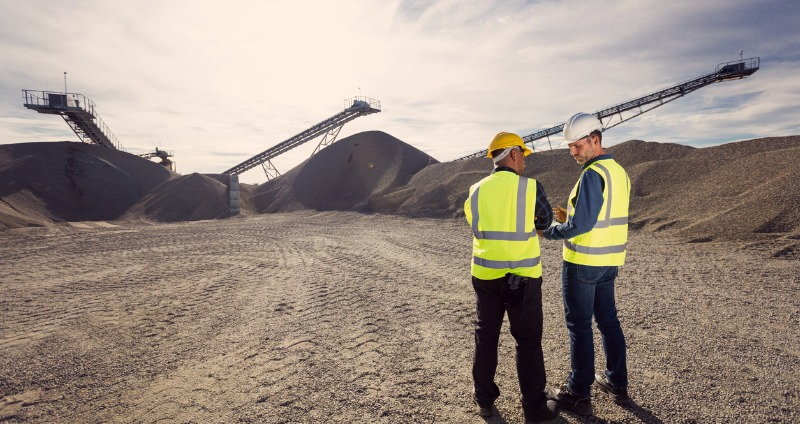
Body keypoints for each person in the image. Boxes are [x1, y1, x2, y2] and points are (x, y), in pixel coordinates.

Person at [464, 132, 559, 424]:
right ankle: (535, 410)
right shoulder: (531, 188)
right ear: (514, 154)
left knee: (486, 336)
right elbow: (544, 222)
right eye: (524, 157)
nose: (525, 164)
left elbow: (476, 223)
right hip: (524, 276)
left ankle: (484, 401)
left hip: (486, 274)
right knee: (528, 342)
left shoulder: (475, 190)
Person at [543, 113, 632, 416]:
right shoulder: (618, 172)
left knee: (580, 326)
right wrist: (572, 218)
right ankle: (617, 382)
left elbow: (583, 225)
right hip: (609, 261)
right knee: (608, 322)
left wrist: (552, 230)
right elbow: (601, 218)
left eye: (577, 146)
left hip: (583, 262)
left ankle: (578, 392)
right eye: (570, 147)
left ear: (595, 139)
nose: (573, 152)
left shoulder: (593, 174)